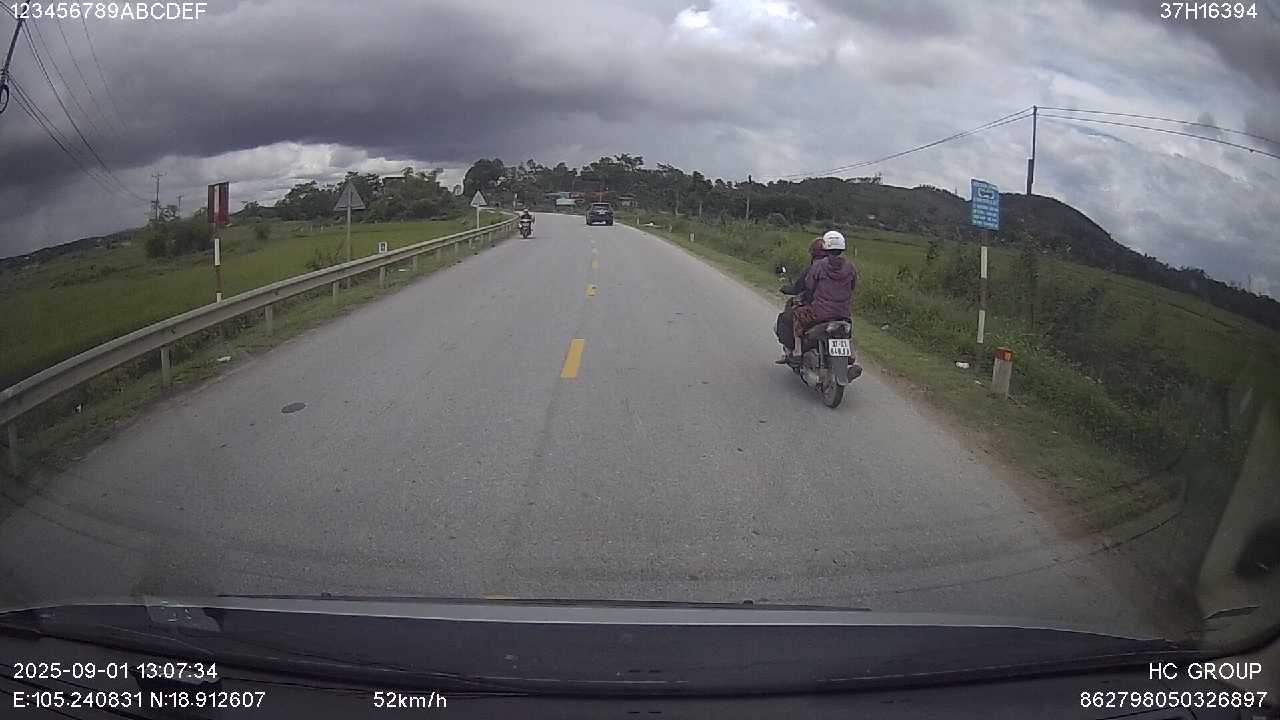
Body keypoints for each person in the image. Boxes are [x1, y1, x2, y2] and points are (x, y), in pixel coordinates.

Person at [776, 230, 857, 363]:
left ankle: (797, 351)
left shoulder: (819, 266)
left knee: (797, 315)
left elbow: (809, 285)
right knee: (846, 328)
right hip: (843, 313)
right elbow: (853, 286)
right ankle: (851, 354)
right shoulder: (850, 267)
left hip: (820, 312)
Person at [774, 238, 826, 363]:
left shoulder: (813, 269)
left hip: (815, 309)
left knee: (791, 317)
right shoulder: (842, 270)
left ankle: (797, 351)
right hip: (840, 311)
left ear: (813, 254)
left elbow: (800, 287)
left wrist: (785, 288)